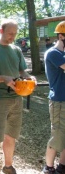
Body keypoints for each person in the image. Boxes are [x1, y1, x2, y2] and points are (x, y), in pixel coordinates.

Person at [0, 19, 36, 174]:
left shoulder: (16, 50)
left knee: (11, 136)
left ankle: (8, 166)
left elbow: (22, 72)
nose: (13, 36)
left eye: (15, 33)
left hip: (16, 99)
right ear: (1, 31)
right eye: (10, 33)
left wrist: (30, 78)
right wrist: (4, 78)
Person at [42, 21, 65, 174]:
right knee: (57, 135)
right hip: (59, 101)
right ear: (61, 36)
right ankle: (48, 168)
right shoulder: (53, 53)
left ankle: (62, 166)